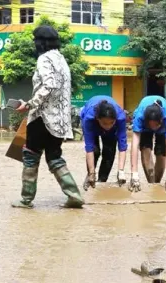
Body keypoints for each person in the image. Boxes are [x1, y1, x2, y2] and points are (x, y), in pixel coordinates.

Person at [13, 25, 84, 209]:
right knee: (54, 156)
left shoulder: (44, 59)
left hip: (42, 118)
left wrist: (28, 104)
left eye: (35, 40)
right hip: (60, 121)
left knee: (30, 154)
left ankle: (26, 199)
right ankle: (74, 195)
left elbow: (48, 85)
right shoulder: (62, 60)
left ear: (40, 42)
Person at [129, 95, 166, 193]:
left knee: (161, 152)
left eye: (156, 125)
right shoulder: (140, 117)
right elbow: (134, 145)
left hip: (162, 129)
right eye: (151, 125)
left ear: (161, 120)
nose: (153, 127)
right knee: (145, 149)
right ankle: (151, 183)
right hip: (145, 128)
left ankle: (157, 183)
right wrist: (134, 174)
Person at [80, 95, 128, 190]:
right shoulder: (89, 119)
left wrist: (121, 171)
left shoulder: (120, 118)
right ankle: (91, 175)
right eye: (105, 123)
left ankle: (102, 181)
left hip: (111, 132)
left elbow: (122, 146)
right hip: (93, 124)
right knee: (95, 151)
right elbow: (89, 148)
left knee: (109, 152)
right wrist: (91, 173)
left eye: (111, 122)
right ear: (98, 119)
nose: (108, 126)